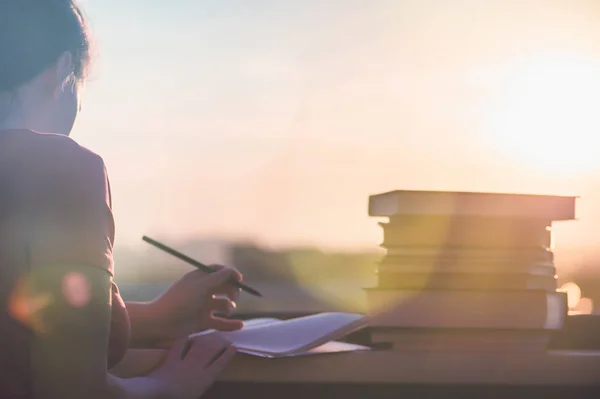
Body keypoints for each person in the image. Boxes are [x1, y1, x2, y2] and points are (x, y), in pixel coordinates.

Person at [0, 1, 244, 398]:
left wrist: (159, 317)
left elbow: (21, 319)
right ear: (63, 70)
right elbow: (73, 388)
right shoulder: (60, 168)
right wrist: (167, 386)